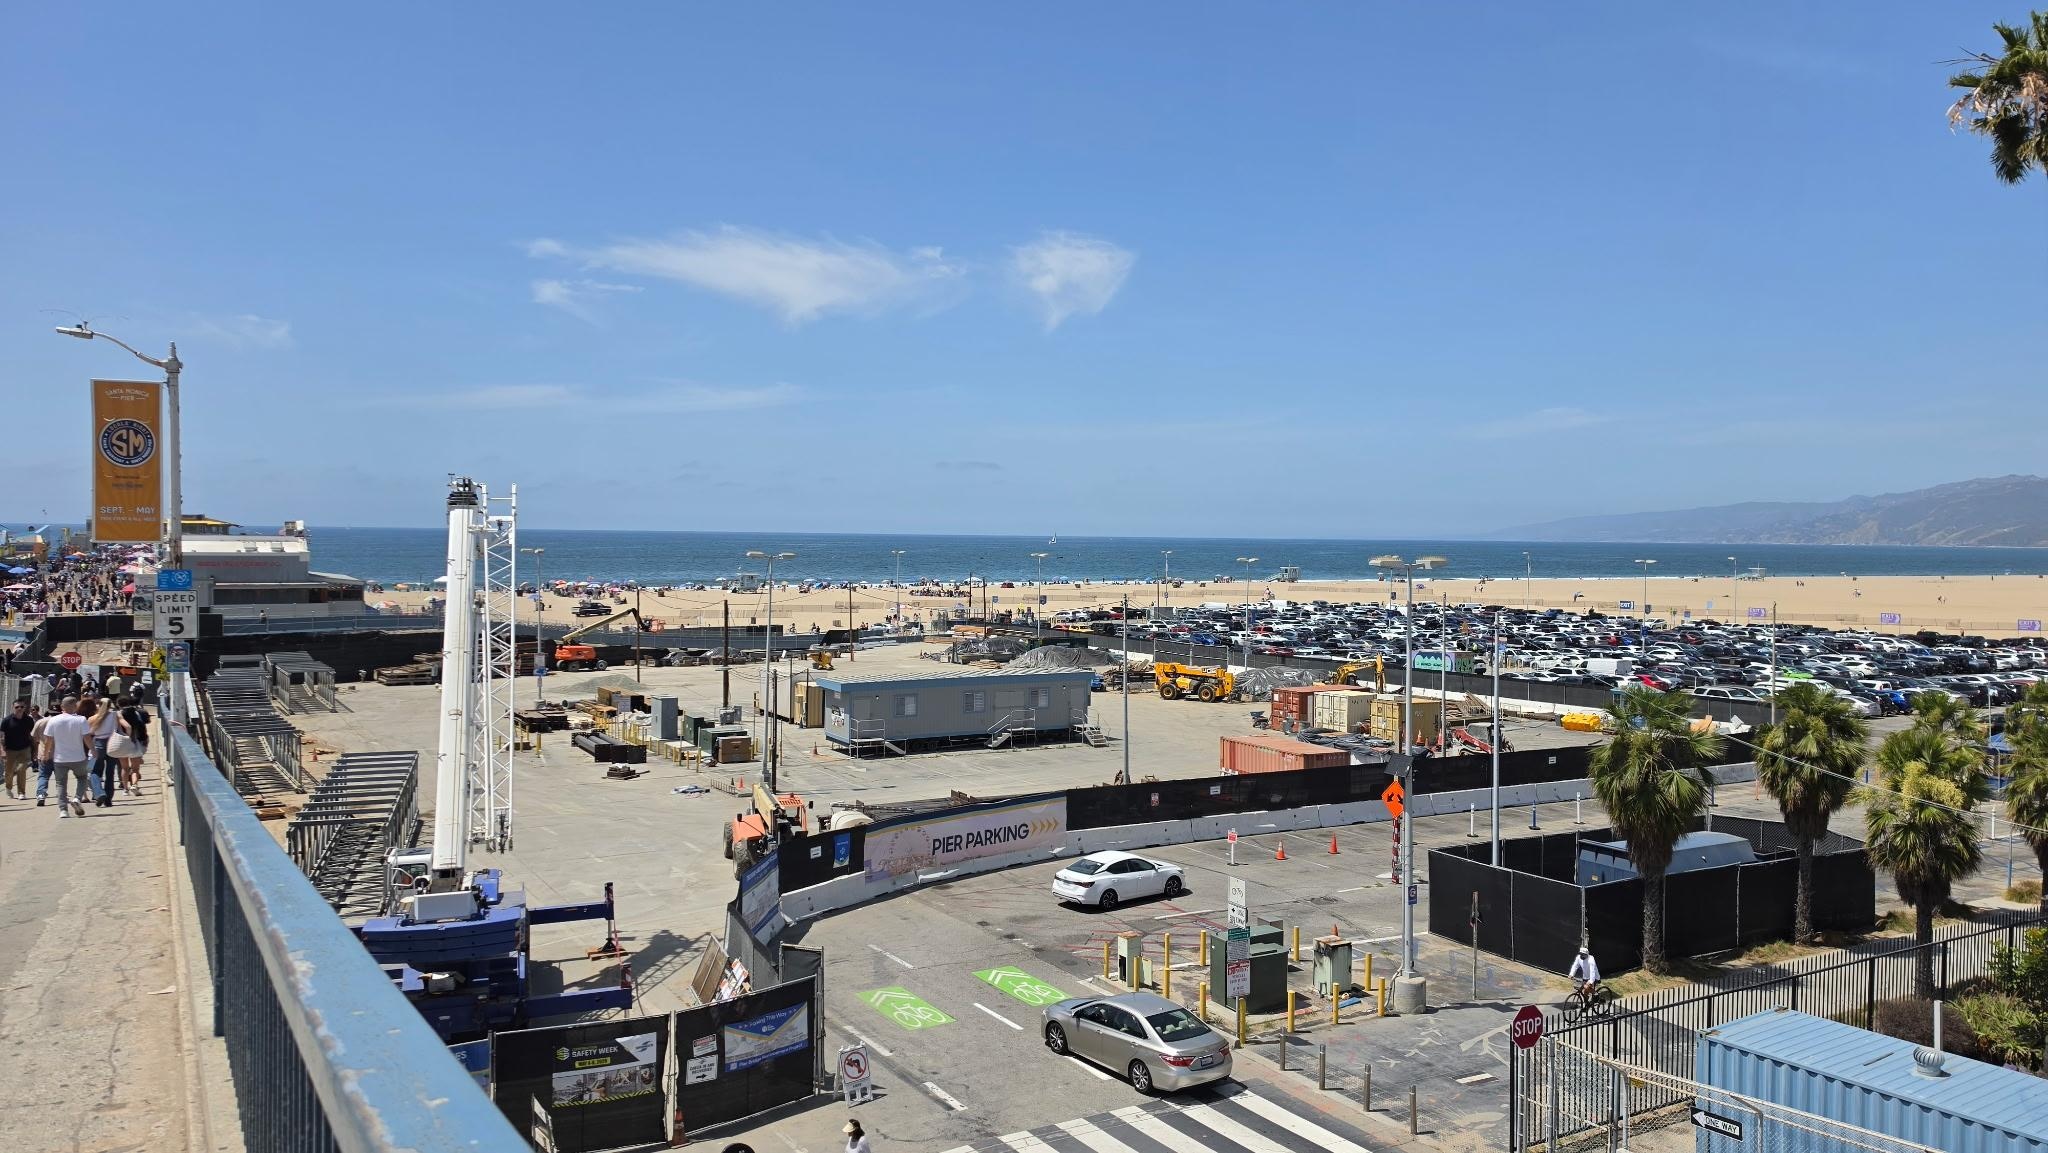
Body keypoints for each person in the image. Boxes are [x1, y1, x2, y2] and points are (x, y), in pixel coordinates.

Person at [43, 696, 94, 818]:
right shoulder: (81, 720)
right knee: (82, 778)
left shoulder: (53, 720)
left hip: (60, 758)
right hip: (78, 757)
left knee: (60, 784)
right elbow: (87, 738)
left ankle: (63, 810)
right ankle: (77, 798)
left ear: (62, 707)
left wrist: (45, 754)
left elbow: (48, 740)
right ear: (74, 706)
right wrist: (93, 750)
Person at [111, 695, 149, 795]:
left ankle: (125, 789)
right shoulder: (137, 713)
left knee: (124, 768)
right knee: (135, 769)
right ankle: (134, 785)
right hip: (135, 743)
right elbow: (143, 728)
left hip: (122, 742)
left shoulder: (118, 714)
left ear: (118, 704)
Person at [1, 699, 33, 800]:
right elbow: (1, 737)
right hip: (10, 749)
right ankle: (8, 787)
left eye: (22, 707)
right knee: (9, 772)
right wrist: (2, 750)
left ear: (25, 708)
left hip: (24, 748)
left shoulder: (29, 720)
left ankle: (21, 792)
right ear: (13, 708)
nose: (19, 709)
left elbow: (31, 735)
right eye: (17, 707)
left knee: (21, 769)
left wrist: (35, 749)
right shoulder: (6, 720)